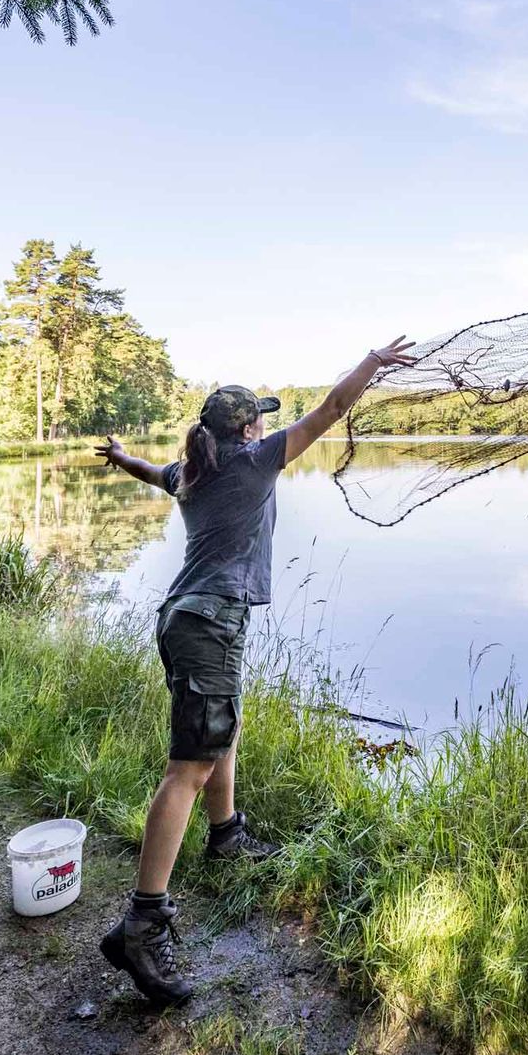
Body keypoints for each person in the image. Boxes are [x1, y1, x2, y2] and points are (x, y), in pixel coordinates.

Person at [91, 337, 416, 1005]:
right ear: (247, 429)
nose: (268, 425)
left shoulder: (194, 471)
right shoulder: (252, 462)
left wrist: (121, 456)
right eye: (260, 418)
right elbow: (330, 408)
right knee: (189, 765)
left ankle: (227, 835)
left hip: (189, 617)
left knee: (221, 734)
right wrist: (371, 362)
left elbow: (153, 472)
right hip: (210, 622)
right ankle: (142, 922)